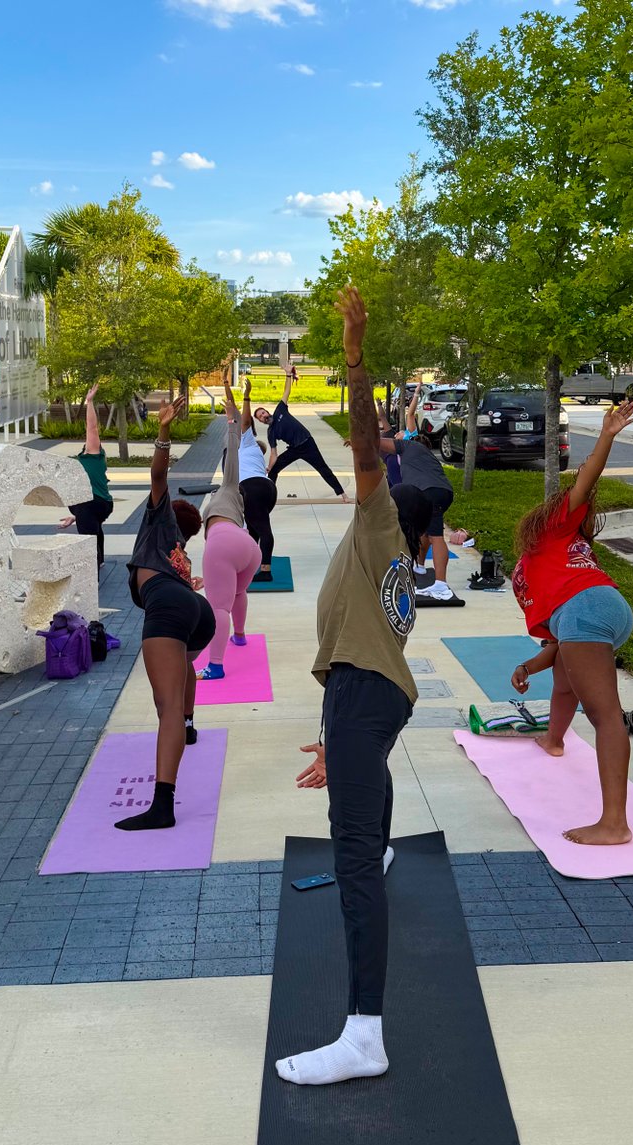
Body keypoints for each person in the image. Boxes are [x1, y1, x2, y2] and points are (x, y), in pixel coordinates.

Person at [276, 286, 431, 1088]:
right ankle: (387, 842)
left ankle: (365, 1033)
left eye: (372, 490)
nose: (363, 488)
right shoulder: (388, 564)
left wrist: (355, 353)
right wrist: (341, 736)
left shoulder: (378, 530)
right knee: (367, 824)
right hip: (371, 696)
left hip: (368, 696)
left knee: (353, 857)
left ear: (383, 509)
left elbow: (368, 449)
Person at [511, 396, 633, 846]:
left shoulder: (554, 530)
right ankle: (553, 739)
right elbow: (557, 644)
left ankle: (615, 824)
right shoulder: (540, 560)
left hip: (585, 609)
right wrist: (528, 667)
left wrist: (605, 436)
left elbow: (585, 482)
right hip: (598, 610)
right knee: (565, 680)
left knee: (606, 715)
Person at [118, 395, 215, 832]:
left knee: (165, 708)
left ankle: (163, 805)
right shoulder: (180, 553)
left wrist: (163, 431)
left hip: (170, 606)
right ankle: (190, 724)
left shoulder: (158, 522)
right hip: (197, 612)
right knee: (182, 672)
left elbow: (159, 474)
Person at [196, 367, 262, 680]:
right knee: (235, 594)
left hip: (225, 543)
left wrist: (231, 415)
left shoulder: (230, 486)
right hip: (248, 547)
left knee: (218, 606)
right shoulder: (237, 501)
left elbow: (233, 443)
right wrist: (227, 388)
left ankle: (216, 665)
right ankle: (240, 636)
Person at [380, 389, 455, 602]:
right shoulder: (417, 454)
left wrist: (361, 439)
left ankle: (441, 585)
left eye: (400, 433)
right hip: (437, 492)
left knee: (435, 535)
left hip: (429, 492)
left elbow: (379, 441)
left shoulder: (409, 444)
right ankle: (420, 567)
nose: (397, 433)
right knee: (424, 533)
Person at [254, 365, 350, 502]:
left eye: (263, 412)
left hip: (308, 444)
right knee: (274, 471)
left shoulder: (280, 411)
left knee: (323, 469)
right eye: (260, 416)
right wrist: (269, 467)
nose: (263, 416)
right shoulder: (271, 432)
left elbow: (286, 391)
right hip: (294, 449)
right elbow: (273, 453)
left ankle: (344, 496)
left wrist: (288, 375)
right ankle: (268, 498)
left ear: (267, 412)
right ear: (260, 421)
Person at [57, 383, 114, 570]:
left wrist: (89, 402)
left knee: (88, 537)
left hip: (92, 503)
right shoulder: (90, 460)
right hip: (95, 505)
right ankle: (101, 559)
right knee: (93, 526)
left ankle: (92, 574)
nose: (86, 443)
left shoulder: (94, 454)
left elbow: (92, 428)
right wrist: (76, 517)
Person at [238, 374, 278, 583]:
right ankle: (250, 565)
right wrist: (227, 387)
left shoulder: (246, 442)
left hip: (252, 488)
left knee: (262, 528)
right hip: (267, 488)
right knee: (253, 530)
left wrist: (246, 397)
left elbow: (244, 420)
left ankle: (266, 570)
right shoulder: (252, 450)